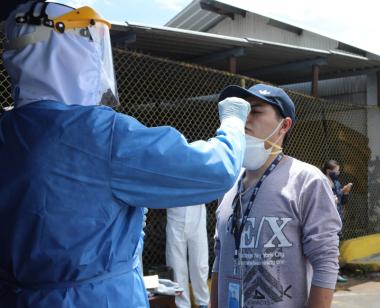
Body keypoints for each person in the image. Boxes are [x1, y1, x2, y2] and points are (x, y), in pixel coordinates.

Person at [0, 2, 250, 307]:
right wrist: (234, 123)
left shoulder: (9, 131)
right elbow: (216, 171)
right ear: (65, 51)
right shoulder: (101, 135)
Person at [211, 84, 342, 308]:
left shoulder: (307, 180)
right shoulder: (229, 184)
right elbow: (220, 258)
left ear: (284, 125)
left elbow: (325, 262)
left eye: (255, 110)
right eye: (240, 111)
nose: (243, 120)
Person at [166, 204, 210, 308]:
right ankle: (182, 305)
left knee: (200, 264)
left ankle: (203, 303)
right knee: (176, 266)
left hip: (197, 217)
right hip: (174, 216)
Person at [322, 159, 353, 283]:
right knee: (328, 248)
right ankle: (329, 274)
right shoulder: (323, 181)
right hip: (326, 220)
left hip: (337, 218)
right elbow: (323, 200)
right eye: (336, 171)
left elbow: (342, 202)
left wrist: (345, 193)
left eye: (338, 170)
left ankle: (335, 273)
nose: (338, 173)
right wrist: (338, 195)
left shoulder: (336, 182)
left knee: (336, 247)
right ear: (328, 171)